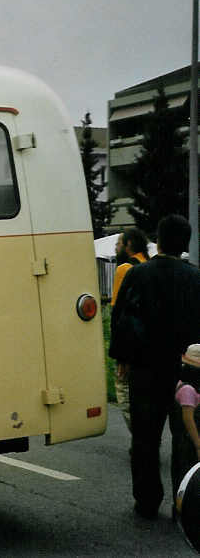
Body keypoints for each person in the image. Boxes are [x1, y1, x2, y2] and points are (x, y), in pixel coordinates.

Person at [110, 214, 200, 519]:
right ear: (185, 244)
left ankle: (147, 500)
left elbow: (122, 319)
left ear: (157, 241)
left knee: (145, 438)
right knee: (185, 438)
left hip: (146, 368)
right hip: (186, 370)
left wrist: (122, 358)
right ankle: (184, 501)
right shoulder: (196, 278)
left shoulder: (138, 274)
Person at [111, 228, 150, 432]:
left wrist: (120, 355)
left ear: (128, 245)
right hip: (152, 344)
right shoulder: (150, 265)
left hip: (129, 345)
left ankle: (139, 437)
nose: (116, 248)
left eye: (119, 243)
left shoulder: (124, 269)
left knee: (124, 392)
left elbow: (118, 314)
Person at [170, 344, 200, 514]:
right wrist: (198, 444)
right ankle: (183, 510)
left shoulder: (186, 385)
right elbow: (188, 420)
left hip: (185, 439)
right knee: (186, 474)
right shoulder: (188, 389)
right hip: (187, 441)